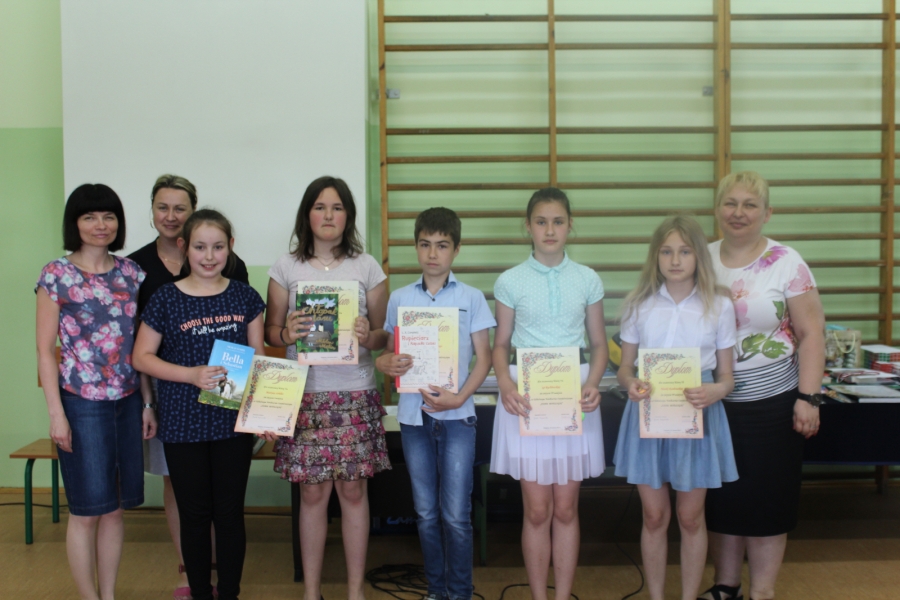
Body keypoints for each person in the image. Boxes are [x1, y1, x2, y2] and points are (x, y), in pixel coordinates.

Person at [133, 209, 272, 600]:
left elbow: (258, 357)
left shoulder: (245, 296)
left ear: (230, 248)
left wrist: (264, 411)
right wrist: (190, 374)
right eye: (199, 247)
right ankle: (198, 591)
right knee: (194, 517)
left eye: (218, 247)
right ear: (184, 247)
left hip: (232, 426)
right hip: (182, 424)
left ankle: (229, 593)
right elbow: (141, 357)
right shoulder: (165, 298)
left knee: (229, 514)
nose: (209, 256)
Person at [266, 176, 391, 600]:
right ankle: (311, 592)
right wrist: (287, 332)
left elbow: (383, 337)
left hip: (354, 392)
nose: (328, 215)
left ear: (348, 215)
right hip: (304, 394)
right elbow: (270, 332)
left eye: (337, 207)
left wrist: (368, 334)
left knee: (353, 491)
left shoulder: (367, 267)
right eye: (320, 207)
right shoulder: (286, 267)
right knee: (312, 492)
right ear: (307, 214)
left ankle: (355, 591)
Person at [701, 172, 825, 600]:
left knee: (768, 500)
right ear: (717, 209)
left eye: (750, 205)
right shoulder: (700, 258)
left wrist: (808, 397)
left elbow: (811, 333)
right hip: (713, 402)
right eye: (730, 203)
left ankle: (763, 592)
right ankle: (726, 585)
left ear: (767, 213)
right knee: (721, 499)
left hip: (774, 402)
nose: (739, 213)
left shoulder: (787, 261)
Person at [35, 183, 154, 600]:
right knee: (87, 511)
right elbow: (45, 352)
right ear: (75, 223)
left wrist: (147, 403)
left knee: (116, 510)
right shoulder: (56, 275)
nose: (100, 224)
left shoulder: (131, 273)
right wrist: (57, 414)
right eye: (89, 217)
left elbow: (138, 346)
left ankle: (109, 594)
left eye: (108, 216)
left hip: (128, 400)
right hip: (81, 403)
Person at [490, 187, 608, 600]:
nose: (550, 230)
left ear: (570, 225)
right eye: (541, 222)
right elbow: (500, 345)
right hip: (528, 398)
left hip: (572, 398)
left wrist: (593, 382)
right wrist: (505, 383)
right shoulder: (510, 280)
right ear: (528, 226)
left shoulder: (587, 278)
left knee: (566, 508)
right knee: (538, 510)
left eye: (558, 221)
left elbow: (599, 345)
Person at [613, 215, 738, 600]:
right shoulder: (638, 304)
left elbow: (727, 377)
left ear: (699, 255)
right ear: (656, 257)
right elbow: (625, 369)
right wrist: (630, 383)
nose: (675, 260)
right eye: (666, 252)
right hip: (649, 415)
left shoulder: (719, 305)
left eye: (684, 251)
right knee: (654, 516)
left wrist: (716, 391)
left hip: (697, 415)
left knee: (690, 517)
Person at [375, 207, 496, 600]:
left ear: (456, 250)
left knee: (456, 515)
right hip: (414, 420)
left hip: (459, 418)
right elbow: (390, 354)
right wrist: (385, 363)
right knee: (426, 513)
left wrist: (459, 397)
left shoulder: (471, 298)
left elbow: (485, 358)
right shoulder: (399, 298)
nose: (432, 253)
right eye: (425, 244)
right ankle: (436, 591)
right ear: (416, 247)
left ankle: (460, 593)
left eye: (442, 245)